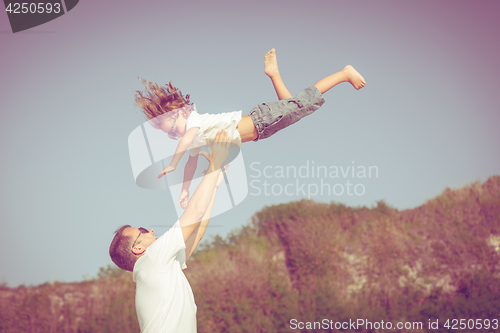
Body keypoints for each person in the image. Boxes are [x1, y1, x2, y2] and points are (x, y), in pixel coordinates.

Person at [135, 48, 366, 208]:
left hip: (261, 120)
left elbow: (185, 146)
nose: (174, 134)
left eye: (172, 127)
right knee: (295, 107)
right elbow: (191, 163)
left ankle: (343, 74)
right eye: (169, 133)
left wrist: (172, 164)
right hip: (263, 130)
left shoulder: (195, 121)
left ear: (181, 113)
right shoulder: (195, 138)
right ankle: (274, 75)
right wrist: (184, 191)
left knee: (303, 104)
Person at [109, 130, 231, 333]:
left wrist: (214, 186)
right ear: (138, 248)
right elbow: (194, 211)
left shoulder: (159, 266)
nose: (150, 229)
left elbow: (197, 233)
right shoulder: (153, 259)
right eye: (142, 230)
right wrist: (214, 165)